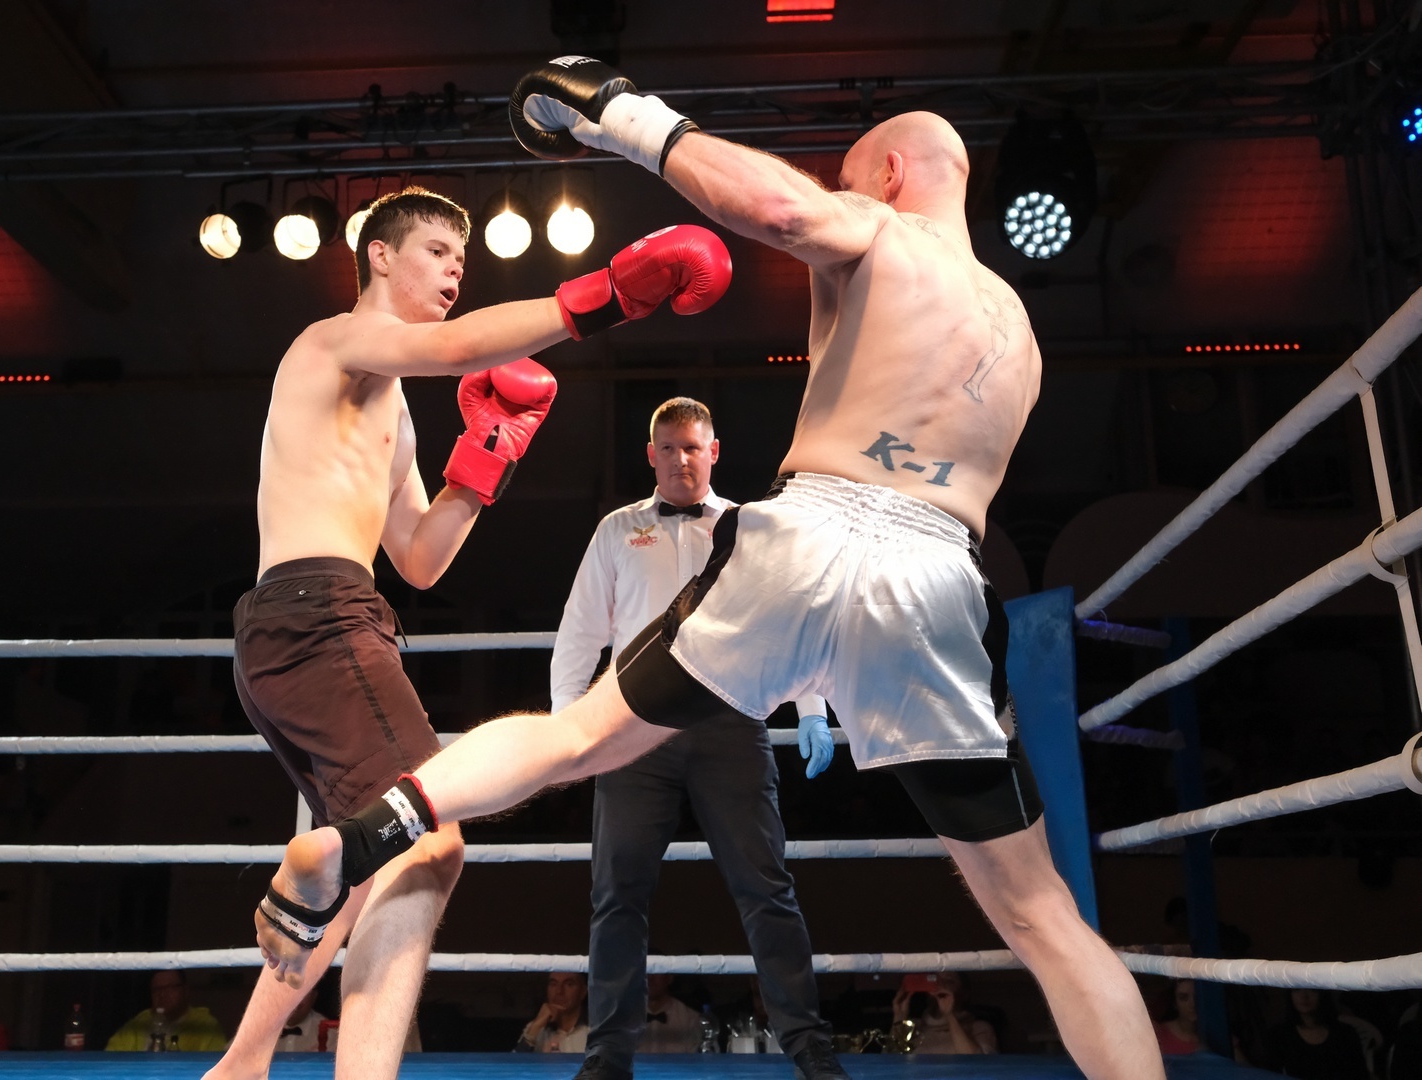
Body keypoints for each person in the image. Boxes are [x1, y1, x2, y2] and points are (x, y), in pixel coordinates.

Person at [255, 61, 1167, 1080]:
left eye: (853, 180)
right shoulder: (1021, 337)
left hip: (811, 535)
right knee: (1044, 914)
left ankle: (365, 838)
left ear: (891, 175)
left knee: (575, 741)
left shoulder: (883, 231)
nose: (843, 197)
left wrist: (623, 119)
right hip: (940, 573)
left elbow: (779, 210)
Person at [205, 185, 733, 1080]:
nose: (456, 271)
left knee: (367, 855)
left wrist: (488, 455)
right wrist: (607, 293)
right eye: (438, 252)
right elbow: (454, 348)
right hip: (319, 616)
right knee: (428, 841)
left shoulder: (392, 406)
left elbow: (419, 558)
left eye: (463, 259)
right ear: (380, 255)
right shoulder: (332, 341)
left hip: (312, 623)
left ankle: (243, 1065)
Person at [550, 395, 842, 1080]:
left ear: (713, 453)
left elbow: (787, 624)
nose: (681, 459)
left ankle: (808, 1044)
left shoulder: (751, 527)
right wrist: (567, 732)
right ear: (650, 456)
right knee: (616, 893)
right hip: (631, 727)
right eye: (669, 447)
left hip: (729, 720)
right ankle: (607, 1054)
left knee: (766, 886)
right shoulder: (617, 531)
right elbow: (580, 632)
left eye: (692, 447)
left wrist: (812, 708)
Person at [106, 970, 226, 1052]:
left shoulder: (205, 1025)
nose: (162, 994)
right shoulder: (139, 1023)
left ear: (185, 991)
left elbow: (218, 1068)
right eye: (156, 989)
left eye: (170, 988)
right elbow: (111, 1056)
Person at [891, 972, 997, 1055]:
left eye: (949, 981)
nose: (940, 986)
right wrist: (899, 1017)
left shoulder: (979, 1028)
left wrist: (950, 1016)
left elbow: (977, 1064)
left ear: (965, 994)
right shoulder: (913, 1027)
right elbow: (892, 1061)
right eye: (935, 980)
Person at [516, 972, 592, 1053]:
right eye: (553, 984)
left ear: (583, 991)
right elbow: (514, 1060)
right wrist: (535, 1028)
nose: (559, 991)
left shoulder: (595, 1030)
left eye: (569, 984)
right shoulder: (535, 1028)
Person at [637, 974, 702, 1054]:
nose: (650, 978)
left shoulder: (691, 1020)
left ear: (670, 978)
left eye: (657, 972)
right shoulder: (625, 1019)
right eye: (646, 972)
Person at [1152, 978, 1205, 1056]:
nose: (1192, 1004)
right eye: (1183, 998)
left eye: (1197, 997)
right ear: (1175, 1003)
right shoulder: (1159, 1034)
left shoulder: (1215, 1037)